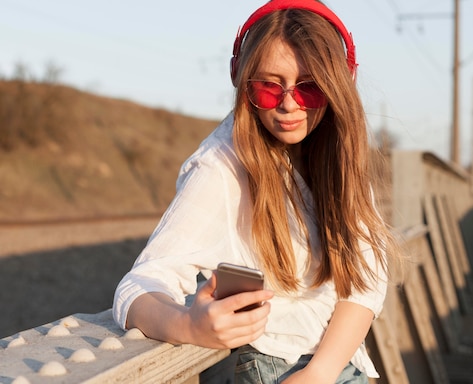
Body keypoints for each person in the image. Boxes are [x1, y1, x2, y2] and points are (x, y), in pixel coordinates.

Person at [113, 0, 397, 382]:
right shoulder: (223, 167)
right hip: (268, 368)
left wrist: (320, 371)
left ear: (338, 85)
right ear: (239, 77)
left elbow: (365, 279)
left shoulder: (337, 153)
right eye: (268, 86)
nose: (288, 104)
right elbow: (139, 285)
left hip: (332, 367)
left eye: (310, 89)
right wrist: (188, 325)